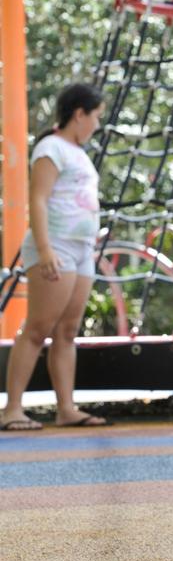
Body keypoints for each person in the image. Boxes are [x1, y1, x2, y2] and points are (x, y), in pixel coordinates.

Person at [0, 84, 107, 431]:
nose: (97, 124)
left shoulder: (78, 151)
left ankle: (66, 408)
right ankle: (12, 409)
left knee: (67, 330)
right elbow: (40, 199)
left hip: (81, 250)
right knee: (37, 328)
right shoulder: (50, 148)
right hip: (55, 247)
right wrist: (45, 250)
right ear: (79, 114)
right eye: (96, 116)